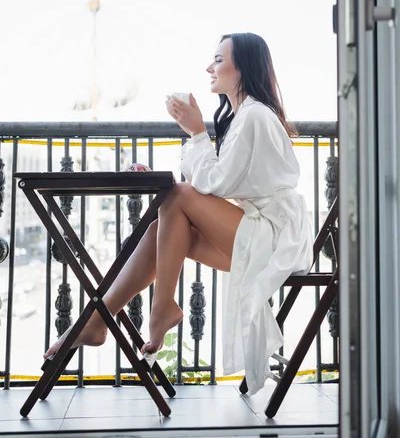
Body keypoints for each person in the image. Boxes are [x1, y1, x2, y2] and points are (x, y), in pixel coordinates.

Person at [44, 32, 313, 395]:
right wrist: (189, 147)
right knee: (162, 227)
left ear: (243, 68)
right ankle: (100, 318)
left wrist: (197, 132)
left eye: (218, 59)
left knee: (176, 198)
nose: (209, 67)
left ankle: (155, 310)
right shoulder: (243, 117)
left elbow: (212, 185)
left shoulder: (255, 117)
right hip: (257, 233)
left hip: (276, 238)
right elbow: (211, 186)